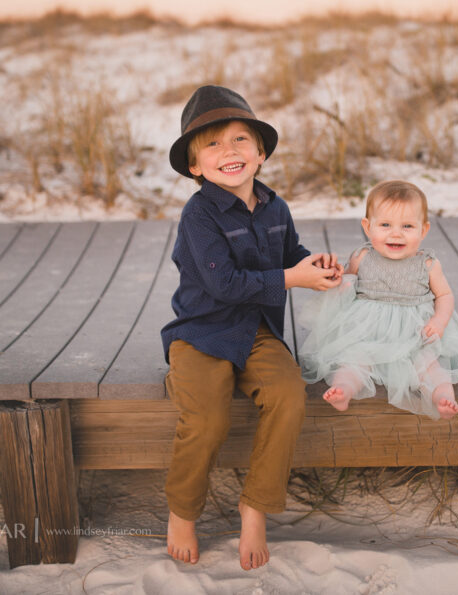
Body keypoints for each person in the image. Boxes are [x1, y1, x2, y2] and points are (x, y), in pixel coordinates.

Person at [160, 85, 342, 571]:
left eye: (240, 139)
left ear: (260, 153)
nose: (230, 151)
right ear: (196, 166)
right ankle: (182, 511)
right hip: (201, 332)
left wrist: (313, 265)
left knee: (288, 393)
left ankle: (254, 505)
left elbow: (290, 258)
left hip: (256, 330)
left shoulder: (275, 208)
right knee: (208, 419)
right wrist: (290, 278)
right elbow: (223, 284)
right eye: (213, 144)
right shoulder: (198, 214)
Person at [299, 180, 458, 420]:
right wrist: (339, 281)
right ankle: (343, 390)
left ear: (424, 230)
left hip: (414, 334)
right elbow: (346, 282)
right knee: (354, 360)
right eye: (386, 225)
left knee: (428, 365)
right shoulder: (362, 257)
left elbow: (445, 296)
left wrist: (439, 322)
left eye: (407, 226)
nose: (396, 233)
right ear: (368, 227)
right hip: (368, 332)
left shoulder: (428, 264)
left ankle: (443, 396)